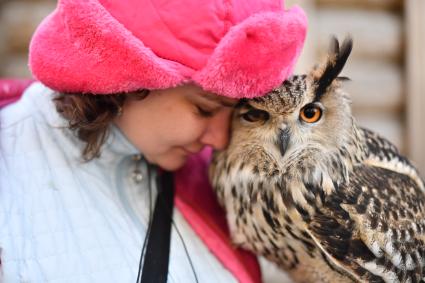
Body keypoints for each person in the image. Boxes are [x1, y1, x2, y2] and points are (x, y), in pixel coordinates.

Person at [0, 0, 307, 282]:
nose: (221, 140)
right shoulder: (9, 167)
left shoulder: (218, 182)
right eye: (205, 109)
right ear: (129, 75)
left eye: (239, 112)